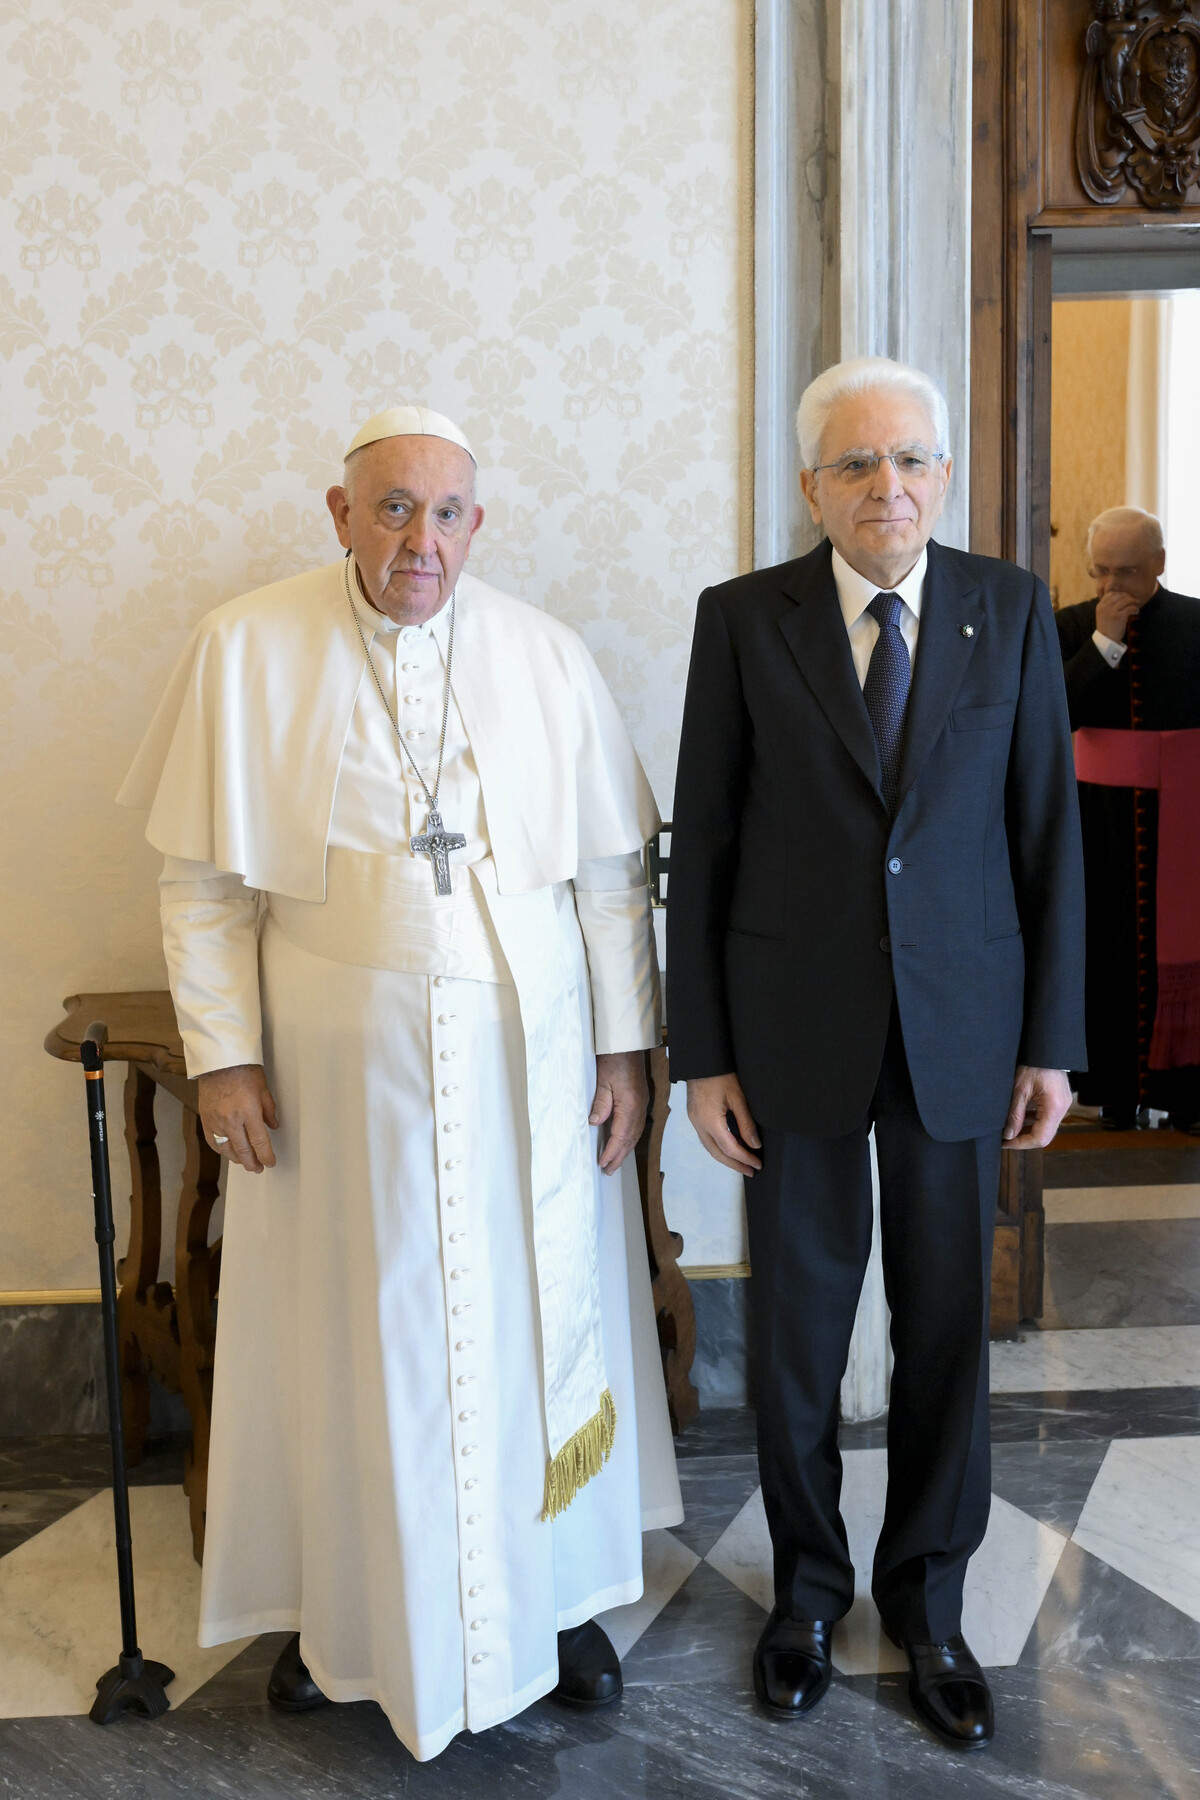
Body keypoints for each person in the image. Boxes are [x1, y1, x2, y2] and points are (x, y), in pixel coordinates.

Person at [118, 405, 682, 1761]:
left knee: (536, 1317)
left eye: (445, 514)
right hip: (333, 1074)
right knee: (347, 1335)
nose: (418, 540)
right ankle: (337, 1615)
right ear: (338, 512)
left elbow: (610, 883)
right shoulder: (246, 647)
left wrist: (624, 1048)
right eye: (390, 509)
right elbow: (201, 887)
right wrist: (225, 1056)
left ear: (476, 527)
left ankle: (553, 1601)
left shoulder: (544, 657)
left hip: (527, 1071)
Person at [666, 357, 1085, 1751]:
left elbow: (1045, 840)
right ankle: (803, 1595)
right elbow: (707, 847)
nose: (886, 486)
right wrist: (701, 1056)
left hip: (963, 1036)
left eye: (909, 460)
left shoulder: (1010, 612)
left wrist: (1052, 1041)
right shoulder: (741, 622)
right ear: (811, 488)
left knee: (945, 1338)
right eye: (856, 466)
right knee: (794, 1343)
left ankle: (927, 1603)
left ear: (945, 475)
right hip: (791, 1042)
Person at [1056, 507, 1200, 1133]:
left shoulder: (1195, 622)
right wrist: (1103, 644)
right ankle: (1114, 1091)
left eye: (1130, 573)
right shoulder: (1070, 626)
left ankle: (1190, 1096)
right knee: (1107, 950)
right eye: (1103, 573)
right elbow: (1051, 713)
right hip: (1101, 823)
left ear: (1160, 565)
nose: (1114, 588)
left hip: (1188, 815)